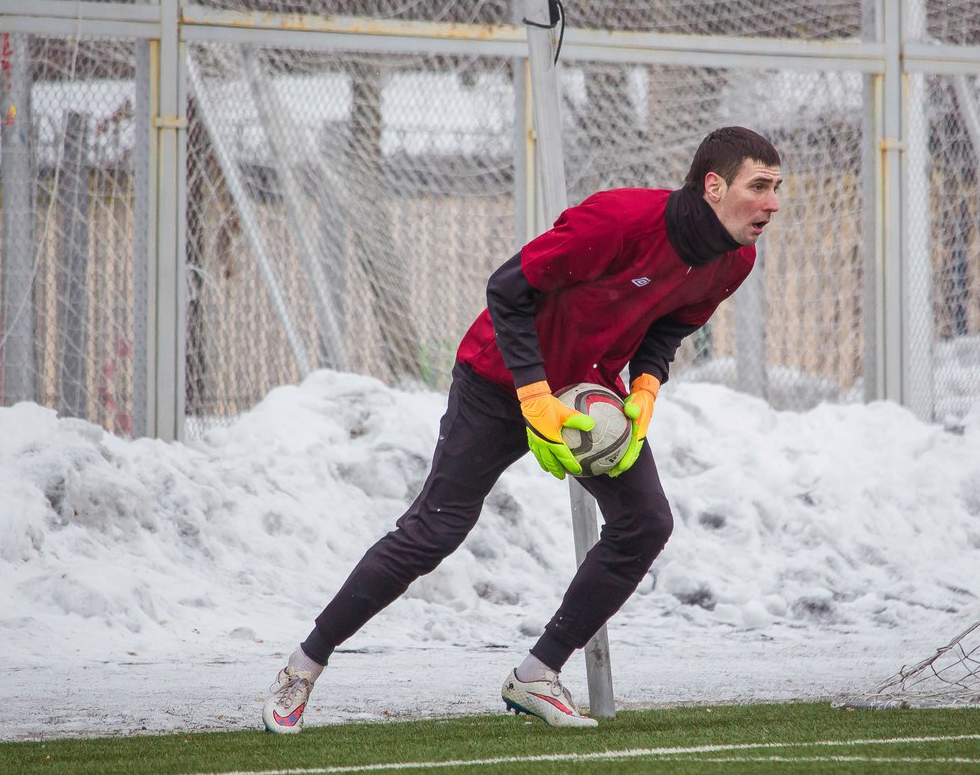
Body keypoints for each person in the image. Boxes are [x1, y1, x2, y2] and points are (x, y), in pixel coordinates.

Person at [263, 126, 782, 732]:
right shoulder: (618, 220)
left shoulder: (735, 259)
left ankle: (536, 674)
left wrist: (645, 385)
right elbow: (507, 290)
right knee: (434, 531)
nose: (772, 203)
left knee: (646, 523)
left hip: (584, 395)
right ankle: (303, 665)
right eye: (759, 186)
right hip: (497, 379)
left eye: (777, 188)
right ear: (714, 186)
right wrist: (533, 395)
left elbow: (670, 325)